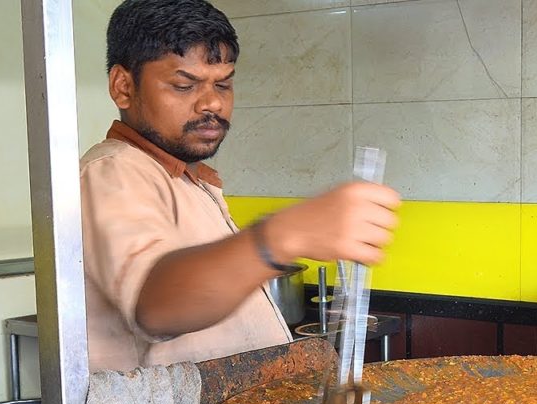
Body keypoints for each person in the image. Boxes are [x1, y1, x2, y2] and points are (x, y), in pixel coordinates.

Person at [81, 0, 400, 372]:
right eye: (185, 85)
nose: (213, 102)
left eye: (224, 83)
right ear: (123, 87)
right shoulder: (112, 171)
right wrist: (284, 235)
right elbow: (155, 307)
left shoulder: (188, 179)